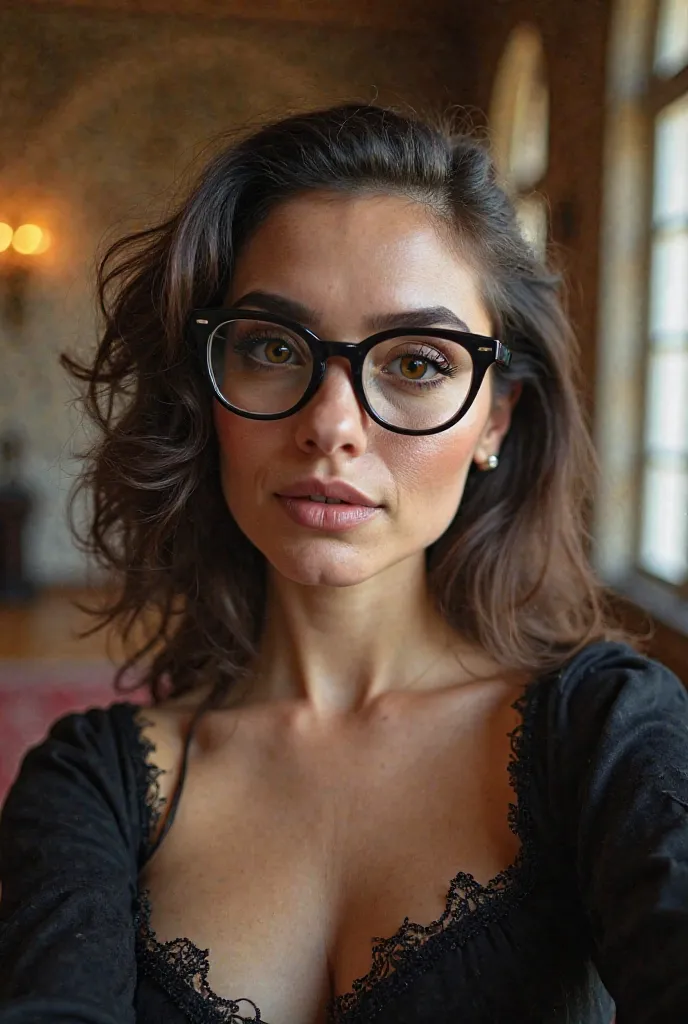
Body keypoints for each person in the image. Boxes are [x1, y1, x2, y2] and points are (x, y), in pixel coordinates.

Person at [0, 103, 686, 1024]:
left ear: (496, 419)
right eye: (274, 349)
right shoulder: (91, 787)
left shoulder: (608, 730)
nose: (330, 425)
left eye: (416, 362)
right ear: (207, 392)